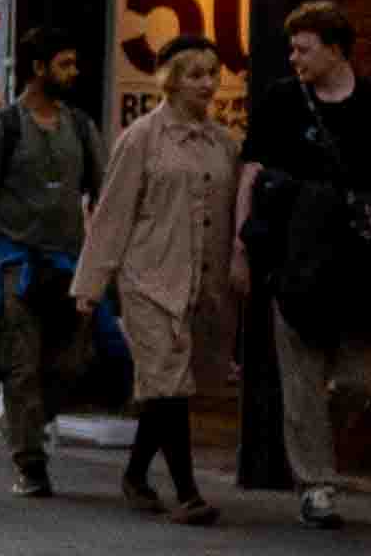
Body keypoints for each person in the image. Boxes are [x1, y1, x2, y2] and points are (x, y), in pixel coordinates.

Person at [238, 0, 371, 530]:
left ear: (336, 49)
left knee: (360, 378)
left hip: (358, 253)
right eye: (291, 49)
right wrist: (241, 246)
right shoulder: (280, 101)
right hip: (294, 251)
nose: (294, 59)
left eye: (303, 49)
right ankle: (316, 485)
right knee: (300, 376)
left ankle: (312, 440)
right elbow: (252, 172)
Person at [79, 28, 251, 523]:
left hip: (202, 283)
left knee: (166, 386)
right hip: (149, 279)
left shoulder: (223, 144)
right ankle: (189, 493)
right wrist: (91, 285)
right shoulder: (140, 139)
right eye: (195, 75)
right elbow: (112, 214)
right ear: (170, 82)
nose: (206, 84)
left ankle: (135, 475)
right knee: (169, 383)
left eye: (213, 75)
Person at [0, 29, 99, 496]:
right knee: (22, 362)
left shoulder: (80, 127)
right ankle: (29, 460)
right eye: (64, 64)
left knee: (72, 363)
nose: (73, 73)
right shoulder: (6, 128)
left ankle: (31, 422)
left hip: (71, 265)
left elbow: (103, 195)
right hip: (17, 264)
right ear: (39, 69)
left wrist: (104, 258)